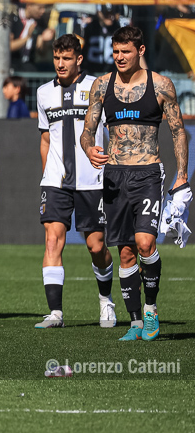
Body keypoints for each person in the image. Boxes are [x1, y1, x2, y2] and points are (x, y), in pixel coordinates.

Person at [80, 26, 190, 342]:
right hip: (114, 177)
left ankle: (152, 310)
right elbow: (87, 130)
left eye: (125, 52)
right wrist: (89, 148)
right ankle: (136, 321)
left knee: (145, 244)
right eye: (115, 52)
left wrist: (181, 173)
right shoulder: (102, 86)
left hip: (147, 175)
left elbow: (179, 131)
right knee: (125, 251)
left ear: (140, 51)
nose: (119, 58)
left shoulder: (161, 85)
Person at [33, 34, 117, 330]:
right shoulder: (43, 92)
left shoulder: (98, 87)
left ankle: (106, 301)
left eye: (66, 58)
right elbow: (45, 139)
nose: (60, 64)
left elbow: (112, 132)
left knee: (96, 247)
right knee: (53, 239)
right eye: (56, 58)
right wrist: (48, 176)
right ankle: (55, 312)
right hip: (56, 181)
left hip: (92, 181)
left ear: (79, 59)